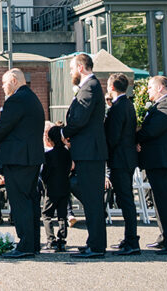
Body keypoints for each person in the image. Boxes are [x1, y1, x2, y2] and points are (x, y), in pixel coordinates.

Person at [0, 68, 45, 258]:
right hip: (31, 158)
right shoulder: (32, 98)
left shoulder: (16, 100)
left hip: (19, 159)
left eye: (4, 83)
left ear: (13, 80)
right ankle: (34, 242)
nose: (3, 87)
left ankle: (26, 245)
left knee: (20, 202)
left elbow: (4, 126)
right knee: (30, 200)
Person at [62, 53, 108, 258]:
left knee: (92, 200)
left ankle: (97, 247)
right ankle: (93, 242)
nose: (71, 72)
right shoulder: (89, 87)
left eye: (72, 69)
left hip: (91, 153)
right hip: (87, 151)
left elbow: (79, 118)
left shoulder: (90, 87)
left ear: (81, 68)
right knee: (90, 200)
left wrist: (64, 133)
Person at [136, 76, 167, 255]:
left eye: (150, 87)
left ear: (161, 87)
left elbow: (152, 130)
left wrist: (136, 137)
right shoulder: (160, 105)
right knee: (160, 203)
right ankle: (165, 237)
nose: (147, 91)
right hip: (159, 162)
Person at [104, 73, 139, 255]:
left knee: (125, 200)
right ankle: (129, 238)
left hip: (120, 159)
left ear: (111, 87)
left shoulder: (118, 108)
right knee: (125, 199)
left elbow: (113, 135)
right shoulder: (126, 104)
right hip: (127, 157)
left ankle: (132, 241)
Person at [40, 122, 70, 252]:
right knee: (62, 215)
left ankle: (50, 239)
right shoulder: (67, 153)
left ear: (50, 140)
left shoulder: (48, 155)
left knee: (46, 214)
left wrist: (45, 183)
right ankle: (62, 240)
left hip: (52, 188)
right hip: (65, 186)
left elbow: (44, 173)